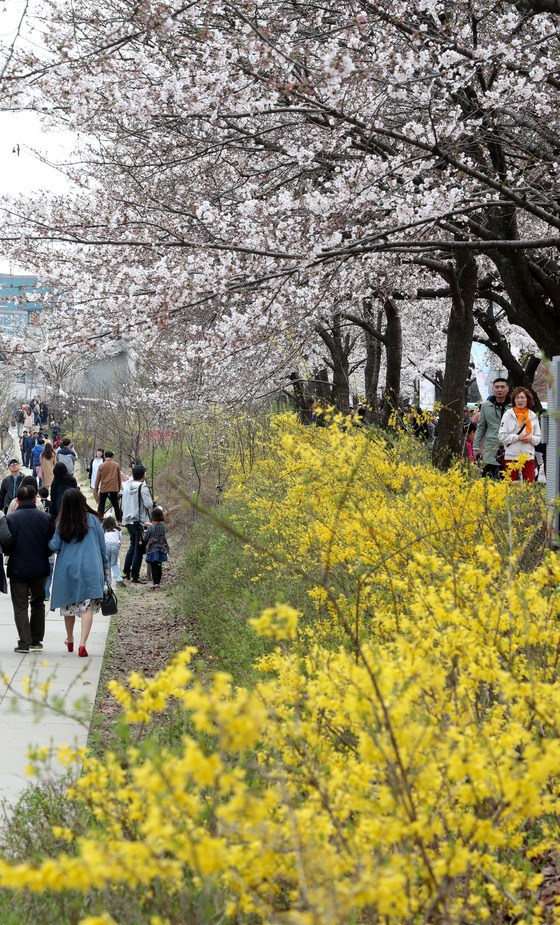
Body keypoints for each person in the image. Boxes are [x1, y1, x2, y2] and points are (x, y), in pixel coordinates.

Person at [49, 489, 109, 658]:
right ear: (82, 501)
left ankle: (70, 639)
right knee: (87, 606)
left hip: (67, 569)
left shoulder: (61, 523)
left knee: (69, 604)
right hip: (91, 568)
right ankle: (83, 644)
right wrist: (105, 568)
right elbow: (102, 547)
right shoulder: (93, 520)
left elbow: (54, 546)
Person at [6, 483, 54, 653]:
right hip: (40, 568)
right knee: (38, 603)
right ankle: (36, 640)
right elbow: (51, 544)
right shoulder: (46, 518)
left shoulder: (10, 519)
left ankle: (24, 642)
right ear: (35, 498)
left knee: (20, 606)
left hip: (17, 568)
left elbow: (6, 543)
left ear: (17, 501)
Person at [498, 386, 542, 483]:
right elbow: (501, 436)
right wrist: (517, 437)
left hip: (528, 456)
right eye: (517, 398)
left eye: (522, 397)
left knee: (529, 487)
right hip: (511, 457)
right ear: (513, 400)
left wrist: (530, 438)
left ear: (527, 399)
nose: (520, 400)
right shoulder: (508, 415)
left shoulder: (532, 415)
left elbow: (538, 438)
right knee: (511, 487)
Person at [121, 465, 153, 584]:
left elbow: (123, 506)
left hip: (128, 520)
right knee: (139, 549)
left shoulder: (127, 487)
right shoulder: (143, 487)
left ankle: (126, 572)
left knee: (133, 545)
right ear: (143, 476)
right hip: (139, 522)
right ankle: (135, 576)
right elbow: (148, 505)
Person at [473, 378, 510, 478]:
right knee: (487, 479)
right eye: (497, 387)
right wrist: (476, 447)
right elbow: (481, 428)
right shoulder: (485, 406)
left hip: (509, 447)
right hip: (490, 447)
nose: (499, 389)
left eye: (502, 387)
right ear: (493, 389)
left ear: (507, 389)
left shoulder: (513, 407)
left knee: (506, 480)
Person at [142, 507, 169, 591]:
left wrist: (144, 532)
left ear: (152, 517)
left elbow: (145, 538)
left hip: (153, 549)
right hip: (162, 549)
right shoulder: (164, 526)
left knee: (153, 566)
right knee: (159, 566)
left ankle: (156, 584)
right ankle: (158, 583)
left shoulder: (151, 528)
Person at [94, 450, 122, 521]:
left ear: (105, 456)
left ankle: (99, 519)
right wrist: (119, 487)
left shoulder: (101, 465)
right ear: (112, 456)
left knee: (101, 504)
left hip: (104, 488)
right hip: (113, 488)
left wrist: (96, 488)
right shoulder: (116, 465)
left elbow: (98, 478)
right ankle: (119, 520)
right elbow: (119, 477)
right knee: (115, 504)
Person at [103, 516, 124, 587]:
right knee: (114, 563)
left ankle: (108, 581)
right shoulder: (118, 529)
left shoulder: (104, 530)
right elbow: (120, 539)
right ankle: (118, 578)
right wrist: (118, 547)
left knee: (107, 564)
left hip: (106, 546)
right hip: (115, 546)